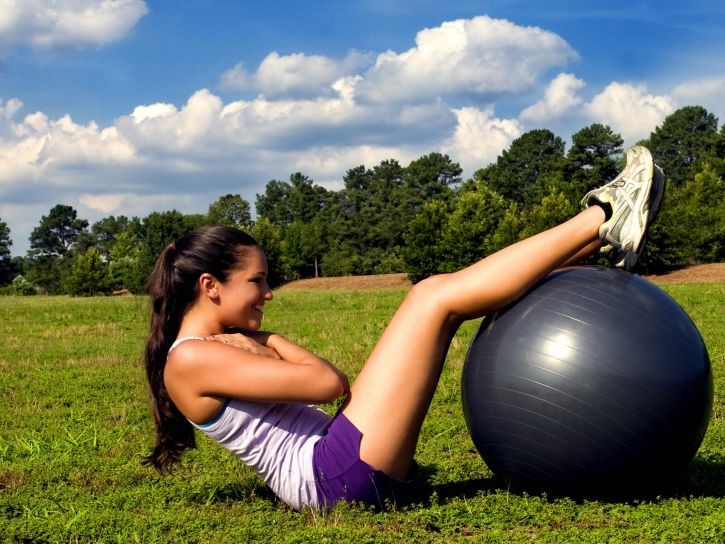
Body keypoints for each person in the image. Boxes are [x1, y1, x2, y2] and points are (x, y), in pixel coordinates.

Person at [142, 145, 665, 510]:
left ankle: (601, 238)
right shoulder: (191, 358)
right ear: (211, 286)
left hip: (339, 460)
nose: (268, 291)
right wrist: (266, 340)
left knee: (438, 299)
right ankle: (602, 217)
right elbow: (328, 385)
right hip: (332, 478)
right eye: (257, 281)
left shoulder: (208, 349)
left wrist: (254, 340)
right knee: (432, 299)